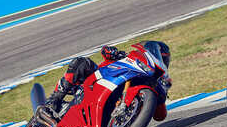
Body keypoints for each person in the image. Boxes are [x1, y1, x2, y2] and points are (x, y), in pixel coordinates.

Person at [40, 41, 171, 117]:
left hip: (107, 112)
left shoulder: (153, 84)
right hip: (92, 86)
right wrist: (113, 52)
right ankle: (54, 99)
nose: (161, 60)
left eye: (164, 58)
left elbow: (160, 116)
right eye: (159, 55)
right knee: (81, 62)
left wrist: (161, 96)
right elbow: (105, 51)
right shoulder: (127, 59)